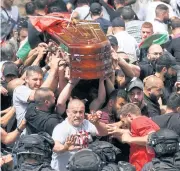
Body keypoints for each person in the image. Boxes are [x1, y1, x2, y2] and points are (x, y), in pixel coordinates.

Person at [51, 99, 106, 171]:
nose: (78, 115)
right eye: (75, 112)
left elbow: (103, 132)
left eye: (81, 112)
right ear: (67, 112)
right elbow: (55, 146)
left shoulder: (86, 123)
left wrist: (97, 123)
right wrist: (65, 148)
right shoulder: (61, 128)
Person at [107, 103, 160, 171]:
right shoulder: (145, 121)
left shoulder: (138, 121)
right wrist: (120, 134)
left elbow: (153, 138)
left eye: (123, 121)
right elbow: (140, 144)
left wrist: (129, 139)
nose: (124, 125)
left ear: (129, 116)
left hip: (143, 166)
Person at [13, 58, 59, 133]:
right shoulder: (20, 90)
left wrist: (54, 67)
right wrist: (53, 71)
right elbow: (38, 95)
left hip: (42, 132)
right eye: (35, 80)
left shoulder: (40, 86)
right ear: (26, 79)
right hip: (26, 137)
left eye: (41, 79)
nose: (38, 83)